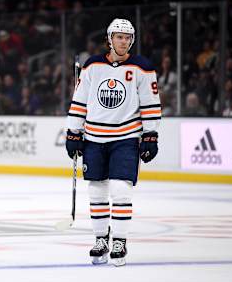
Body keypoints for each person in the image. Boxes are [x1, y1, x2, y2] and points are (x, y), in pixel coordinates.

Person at [65, 18, 161, 267]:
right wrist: (73, 132)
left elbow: (151, 104)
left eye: (127, 37)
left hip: (126, 137)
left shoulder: (142, 67)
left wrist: (150, 135)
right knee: (96, 190)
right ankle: (100, 239)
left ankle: (119, 240)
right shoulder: (93, 65)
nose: (123, 41)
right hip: (94, 138)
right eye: (119, 36)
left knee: (120, 189)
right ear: (110, 39)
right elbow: (80, 100)